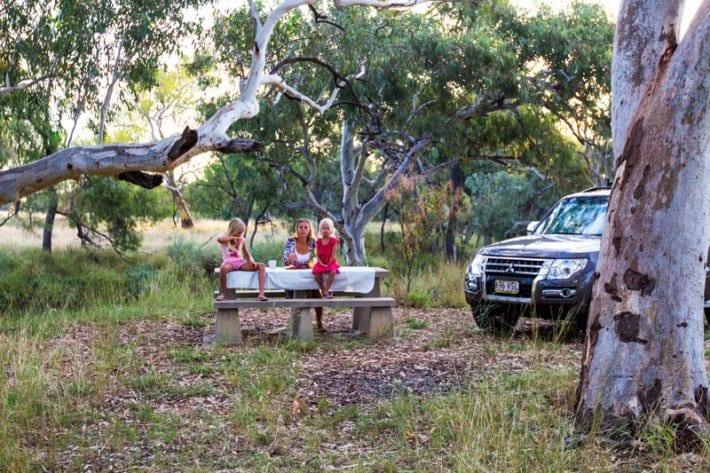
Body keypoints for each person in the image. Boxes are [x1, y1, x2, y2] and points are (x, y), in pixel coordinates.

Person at [282, 218, 325, 331]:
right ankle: (301, 324)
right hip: (294, 276)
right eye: (301, 227)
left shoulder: (314, 242)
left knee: (316, 295)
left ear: (309, 229)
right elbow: (285, 261)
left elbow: (319, 259)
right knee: (307, 294)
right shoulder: (291, 241)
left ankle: (318, 322)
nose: (303, 229)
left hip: (310, 275)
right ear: (297, 228)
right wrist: (289, 259)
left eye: (306, 227)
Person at [216, 218, 268, 301]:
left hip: (240, 262)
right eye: (238, 232)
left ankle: (261, 294)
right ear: (233, 230)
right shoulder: (225, 238)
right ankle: (223, 294)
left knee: (261, 265)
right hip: (229, 262)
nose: (240, 235)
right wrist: (232, 238)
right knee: (223, 268)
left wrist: (251, 261)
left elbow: (247, 254)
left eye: (241, 233)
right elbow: (219, 239)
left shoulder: (241, 240)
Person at [312, 218, 340, 299]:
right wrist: (321, 263)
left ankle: (326, 290)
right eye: (324, 228)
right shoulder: (318, 241)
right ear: (320, 229)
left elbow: (333, 254)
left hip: (331, 261)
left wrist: (328, 263)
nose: (325, 230)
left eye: (328, 228)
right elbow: (317, 254)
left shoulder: (333, 240)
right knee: (316, 273)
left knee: (333, 271)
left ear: (331, 230)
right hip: (321, 262)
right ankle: (322, 289)